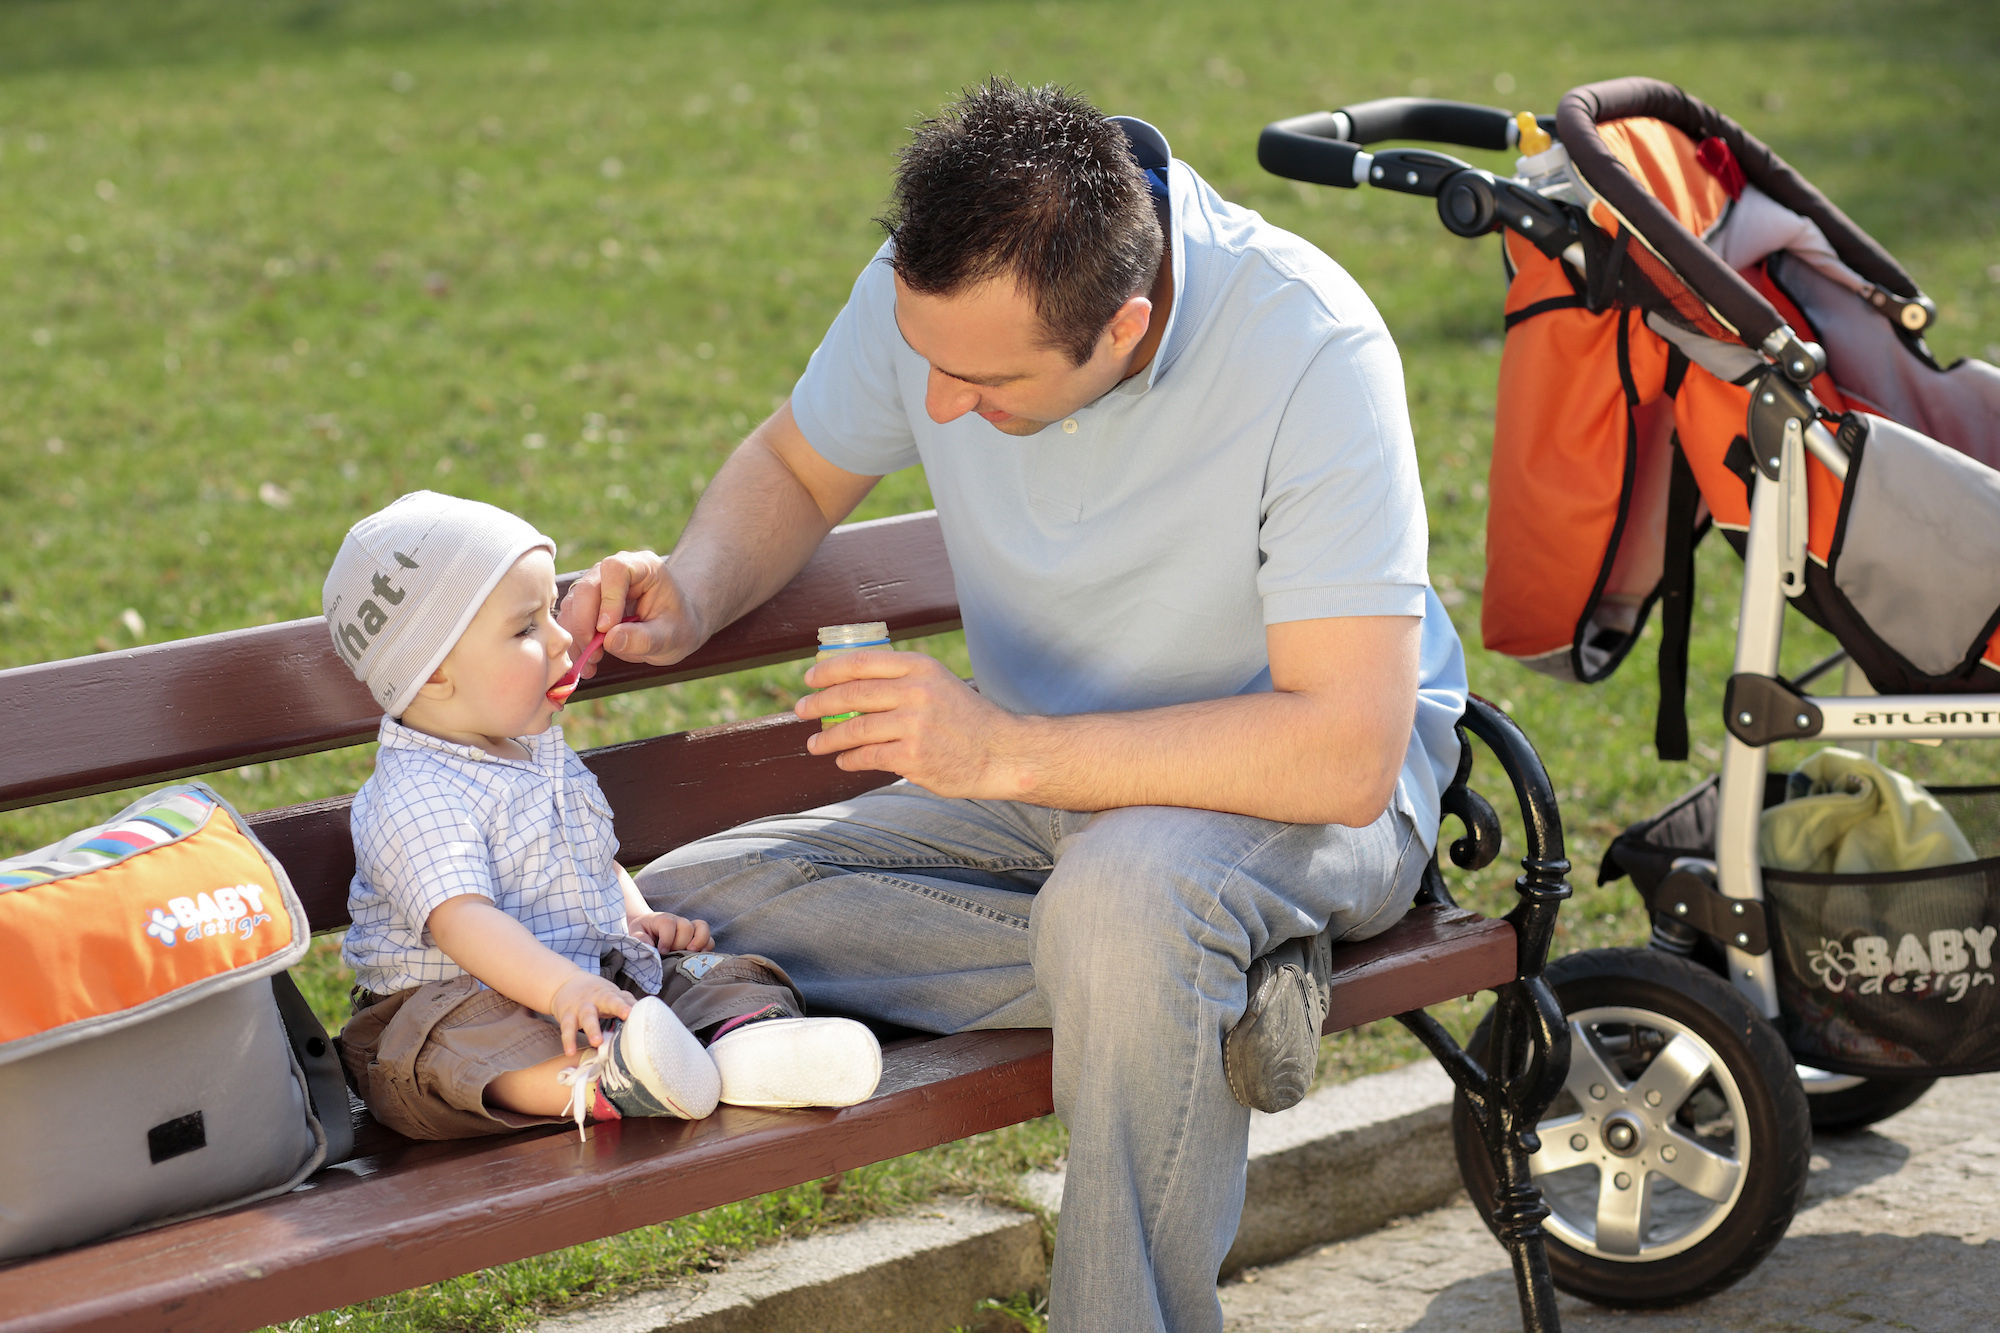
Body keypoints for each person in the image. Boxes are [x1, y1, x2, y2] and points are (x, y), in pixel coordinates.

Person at [559, 81, 1467, 1333]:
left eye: (979, 381)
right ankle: (1206, 984)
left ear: (1124, 325)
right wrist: (689, 590)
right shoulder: (939, 289)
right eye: (923, 360)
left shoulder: (1312, 346)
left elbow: (1345, 751)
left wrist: (1002, 748)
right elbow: (794, 460)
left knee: (1128, 899)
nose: (935, 407)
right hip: (1044, 793)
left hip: (1284, 798)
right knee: (685, 911)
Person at [322, 490, 882, 1142]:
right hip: (450, 1000)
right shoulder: (416, 794)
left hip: (584, 981)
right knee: (458, 1047)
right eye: (527, 626)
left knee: (710, 973)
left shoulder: (534, 753)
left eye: (553, 612)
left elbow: (589, 855)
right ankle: (597, 1080)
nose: (563, 638)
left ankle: (745, 1045)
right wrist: (562, 989)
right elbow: (463, 921)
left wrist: (637, 917)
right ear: (438, 672)